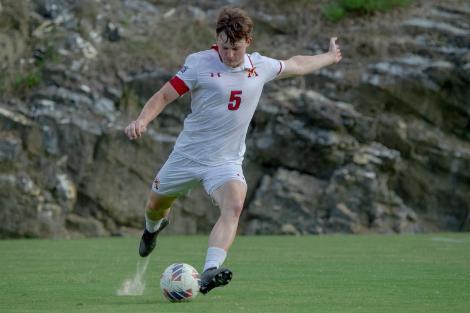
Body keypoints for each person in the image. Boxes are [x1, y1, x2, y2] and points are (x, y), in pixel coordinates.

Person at [124, 7, 342, 295]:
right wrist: (142, 119)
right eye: (224, 47)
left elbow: (296, 64)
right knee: (155, 206)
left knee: (235, 204)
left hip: (225, 162)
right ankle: (152, 230)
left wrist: (329, 56)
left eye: (235, 49)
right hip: (187, 156)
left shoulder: (259, 66)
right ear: (217, 39)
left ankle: (209, 271)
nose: (229, 55)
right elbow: (165, 94)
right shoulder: (199, 63)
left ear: (248, 42)